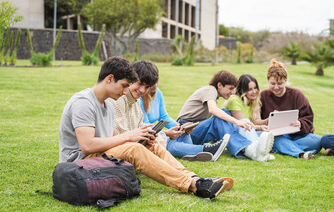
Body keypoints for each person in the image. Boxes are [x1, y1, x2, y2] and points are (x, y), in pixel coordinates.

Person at [58, 57, 233, 200]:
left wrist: (142, 138)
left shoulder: (107, 105)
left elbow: (111, 141)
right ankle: (193, 186)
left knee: (152, 145)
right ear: (110, 79)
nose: (126, 91)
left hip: (99, 157)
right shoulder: (84, 103)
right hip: (78, 165)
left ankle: (196, 178)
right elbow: (87, 146)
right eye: (124, 86)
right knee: (134, 148)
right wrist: (130, 137)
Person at [177, 70, 274, 161]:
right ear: (219, 85)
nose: (232, 92)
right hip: (185, 130)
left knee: (224, 114)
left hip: (194, 129)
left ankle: (253, 147)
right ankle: (248, 149)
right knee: (219, 116)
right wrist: (237, 122)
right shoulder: (210, 90)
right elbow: (213, 109)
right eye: (230, 88)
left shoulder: (213, 93)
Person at [140, 82, 230, 162]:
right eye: (152, 83)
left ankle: (191, 153)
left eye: (156, 82)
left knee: (184, 134)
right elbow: (146, 126)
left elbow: (163, 116)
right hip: (147, 136)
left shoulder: (157, 93)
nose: (155, 85)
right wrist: (167, 133)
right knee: (170, 144)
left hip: (156, 133)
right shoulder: (140, 98)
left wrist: (179, 127)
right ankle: (205, 150)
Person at [260, 60, 322, 159]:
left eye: (280, 83)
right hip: (277, 135)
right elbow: (258, 121)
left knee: (318, 140)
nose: (276, 87)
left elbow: (308, 118)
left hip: (298, 136)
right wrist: (269, 120)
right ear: (268, 81)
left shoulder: (297, 95)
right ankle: (300, 154)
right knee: (275, 140)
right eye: (272, 83)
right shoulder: (263, 95)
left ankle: (283, 148)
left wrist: (300, 123)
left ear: (285, 81)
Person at [223, 74, 275, 161]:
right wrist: (259, 127)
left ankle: (259, 150)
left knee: (265, 134)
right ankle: (257, 152)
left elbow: (256, 121)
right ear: (243, 91)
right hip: (232, 133)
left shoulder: (254, 101)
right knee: (246, 121)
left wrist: (267, 120)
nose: (254, 91)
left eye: (255, 88)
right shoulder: (234, 100)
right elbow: (243, 124)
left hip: (246, 131)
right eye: (250, 89)